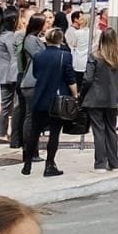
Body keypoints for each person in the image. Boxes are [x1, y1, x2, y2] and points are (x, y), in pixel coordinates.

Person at [24, 29, 77, 178]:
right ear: (61, 40)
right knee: (54, 133)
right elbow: (70, 77)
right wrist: (75, 94)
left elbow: (35, 74)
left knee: (34, 131)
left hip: (40, 97)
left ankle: (27, 163)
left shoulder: (39, 56)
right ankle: (49, 164)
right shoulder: (65, 56)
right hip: (57, 99)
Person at [81, 27, 118, 172]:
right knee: (111, 130)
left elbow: (87, 78)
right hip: (112, 98)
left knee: (98, 130)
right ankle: (114, 162)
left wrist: (82, 94)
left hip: (94, 98)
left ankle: (100, 163)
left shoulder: (94, 56)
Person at [16, 14, 48, 155]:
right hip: (31, 82)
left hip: (37, 82)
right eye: (45, 22)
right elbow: (39, 57)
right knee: (31, 117)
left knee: (35, 117)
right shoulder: (30, 40)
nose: (48, 25)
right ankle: (29, 150)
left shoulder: (36, 39)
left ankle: (33, 148)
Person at [0, 11, 20, 144]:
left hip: (1, 73)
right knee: (5, 106)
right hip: (8, 75)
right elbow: (15, 55)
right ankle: (0, 133)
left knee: (3, 105)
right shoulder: (9, 37)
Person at [65, 11, 91, 80]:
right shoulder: (92, 33)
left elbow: (73, 44)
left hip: (78, 59)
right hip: (88, 59)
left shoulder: (77, 33)